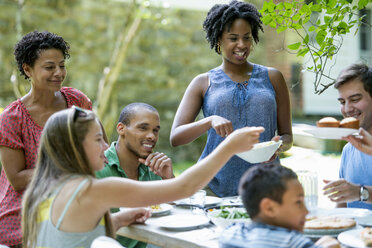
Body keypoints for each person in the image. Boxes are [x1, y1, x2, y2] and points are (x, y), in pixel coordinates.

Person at [22, 107, 264, 248]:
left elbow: (74, 236)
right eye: (98, 139)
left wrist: (117, 220)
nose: (105, 146)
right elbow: (186, 186)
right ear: (73, 145)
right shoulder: (91, 190)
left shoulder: (44, 191)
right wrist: (229, 146)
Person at [169, 0, 292, 197]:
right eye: (233, 38)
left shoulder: (273, 77)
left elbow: (287, 136)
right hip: (214, 186)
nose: (241, 45)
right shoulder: (203, 82)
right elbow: (176, 137)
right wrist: (209, 120)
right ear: (219, 39)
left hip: (266, 185)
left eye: (247, 38)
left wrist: (278, 145)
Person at [0, 30, 92, 247]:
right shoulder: (12, 119)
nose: (58, 73)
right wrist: (69, 169)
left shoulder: (77, 101)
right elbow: (17, 179)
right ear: (27, 69)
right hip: (24, 213)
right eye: (50, 67)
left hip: (70, 202)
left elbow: (101, 148)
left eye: (62, 65)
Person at [96, 102, 174, 248]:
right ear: (121, 129)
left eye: (155, 130)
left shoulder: (154, 169)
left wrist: (168, 179)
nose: (151, 136)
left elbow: (174, 216)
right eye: (143, 128)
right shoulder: (98, 167)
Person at [219, 163, 340, 248]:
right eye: (298, 203)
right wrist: (328, 242)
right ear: (269, 208)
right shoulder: (292, 242)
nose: (306, 212)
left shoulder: (230, 233)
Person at [323, 64, 372, 209]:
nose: (347, 109)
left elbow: (354, 193)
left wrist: (360, 193)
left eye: (355, 99)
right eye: (343, 102)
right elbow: (342, 207)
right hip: (354, 232)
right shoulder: (349, 149)